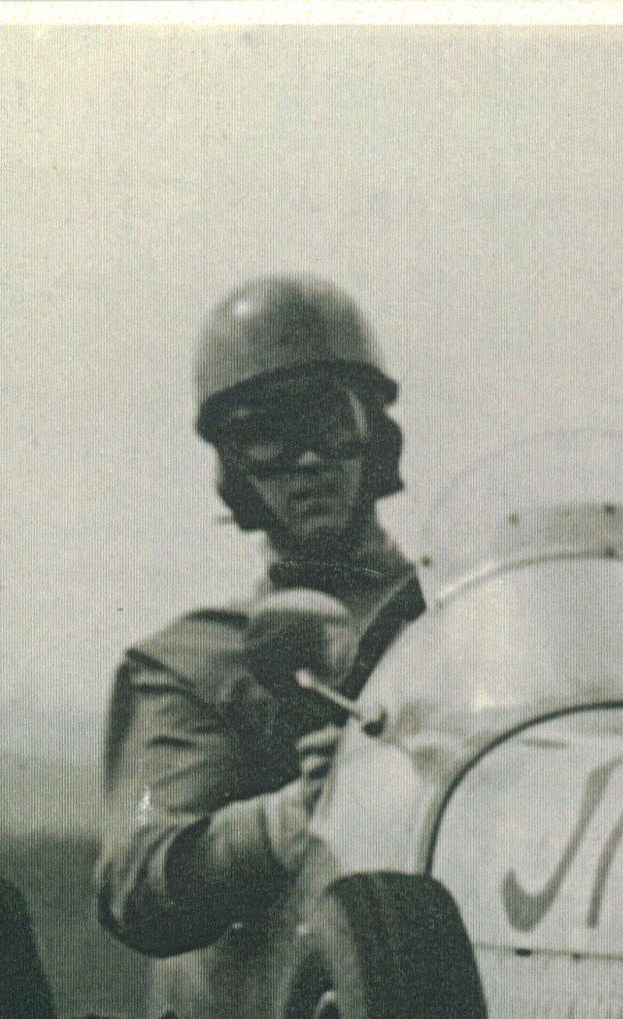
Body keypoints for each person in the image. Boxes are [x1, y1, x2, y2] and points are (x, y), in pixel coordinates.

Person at [95, 275, 424, 958]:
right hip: (307, 1017)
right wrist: (290, 818)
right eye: (269, 437)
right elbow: (138, 881)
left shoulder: (462, 618)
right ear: (233, 469)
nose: (307, 463)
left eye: (331, 427)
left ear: (374, 437)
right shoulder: (194, 661)